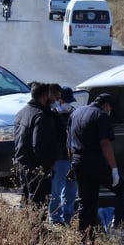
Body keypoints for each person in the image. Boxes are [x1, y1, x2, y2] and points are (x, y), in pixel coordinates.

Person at [67, 92, 124, 245]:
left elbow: (68, 142)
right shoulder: (101, 115)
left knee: (86, 202)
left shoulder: (76, 113)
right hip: (95, 162)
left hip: (78, 162)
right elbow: (105, 143)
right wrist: (114, 169)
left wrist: (72, 164)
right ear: (107, 105)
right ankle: (118, 226)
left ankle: (84, 242)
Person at [13, 82, 58, 211]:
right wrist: (50, 163)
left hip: (22, 165)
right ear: (44, 96)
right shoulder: (40, 116)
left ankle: (27, 230)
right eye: (50, 95)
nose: (52, 98)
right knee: (38, 204)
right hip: (37, 167)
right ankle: (37, 230)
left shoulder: (21, 113)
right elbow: (38, 145)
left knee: (26, 201)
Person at [48, 84, 78, 225]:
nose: (67, 105)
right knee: (56, 189)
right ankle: (54, 217)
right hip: (59, 158)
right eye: (65, 101)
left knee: (70, 189)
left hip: (72, 158)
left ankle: (68, 215)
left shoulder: (74, 114)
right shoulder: (52, 116)